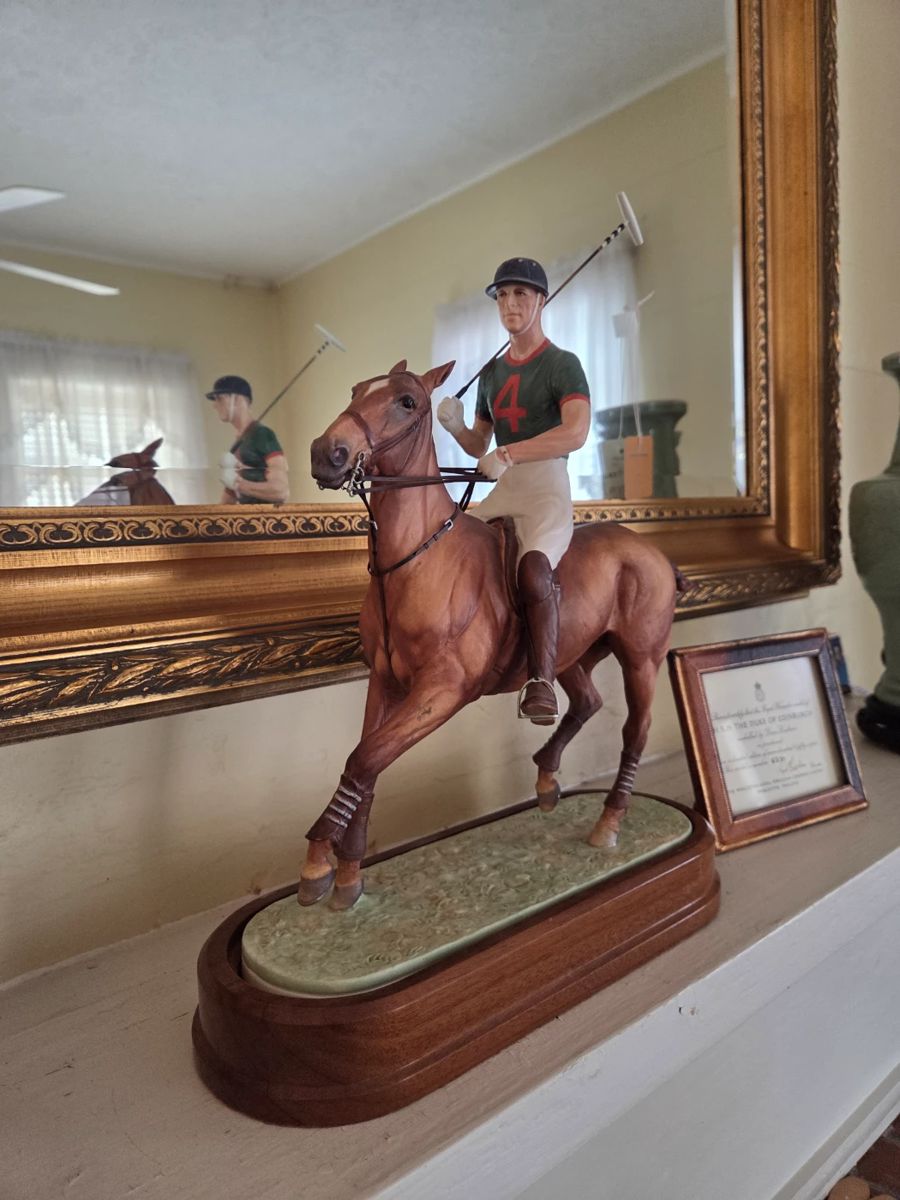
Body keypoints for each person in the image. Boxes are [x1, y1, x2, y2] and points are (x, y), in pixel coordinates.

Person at [437, 257, 591, 725]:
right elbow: (479, 444)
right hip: (506, 487)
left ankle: (541, 681)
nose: (509, 304)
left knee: (532, 571)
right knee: (454, 550)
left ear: (540, 301)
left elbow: (576, 433)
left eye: (520, 294)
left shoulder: (562, 364)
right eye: (502, 295)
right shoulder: (491, 372)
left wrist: (509, 455)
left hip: (545, 487)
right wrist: (456, 426)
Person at [206, 375, 289, 504]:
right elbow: (228, 501)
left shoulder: (262, 435)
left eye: (219, 398)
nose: (215, 405)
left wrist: (238, 484)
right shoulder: (238, 444)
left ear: (237, 399)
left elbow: (280, 490)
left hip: (267, 520)